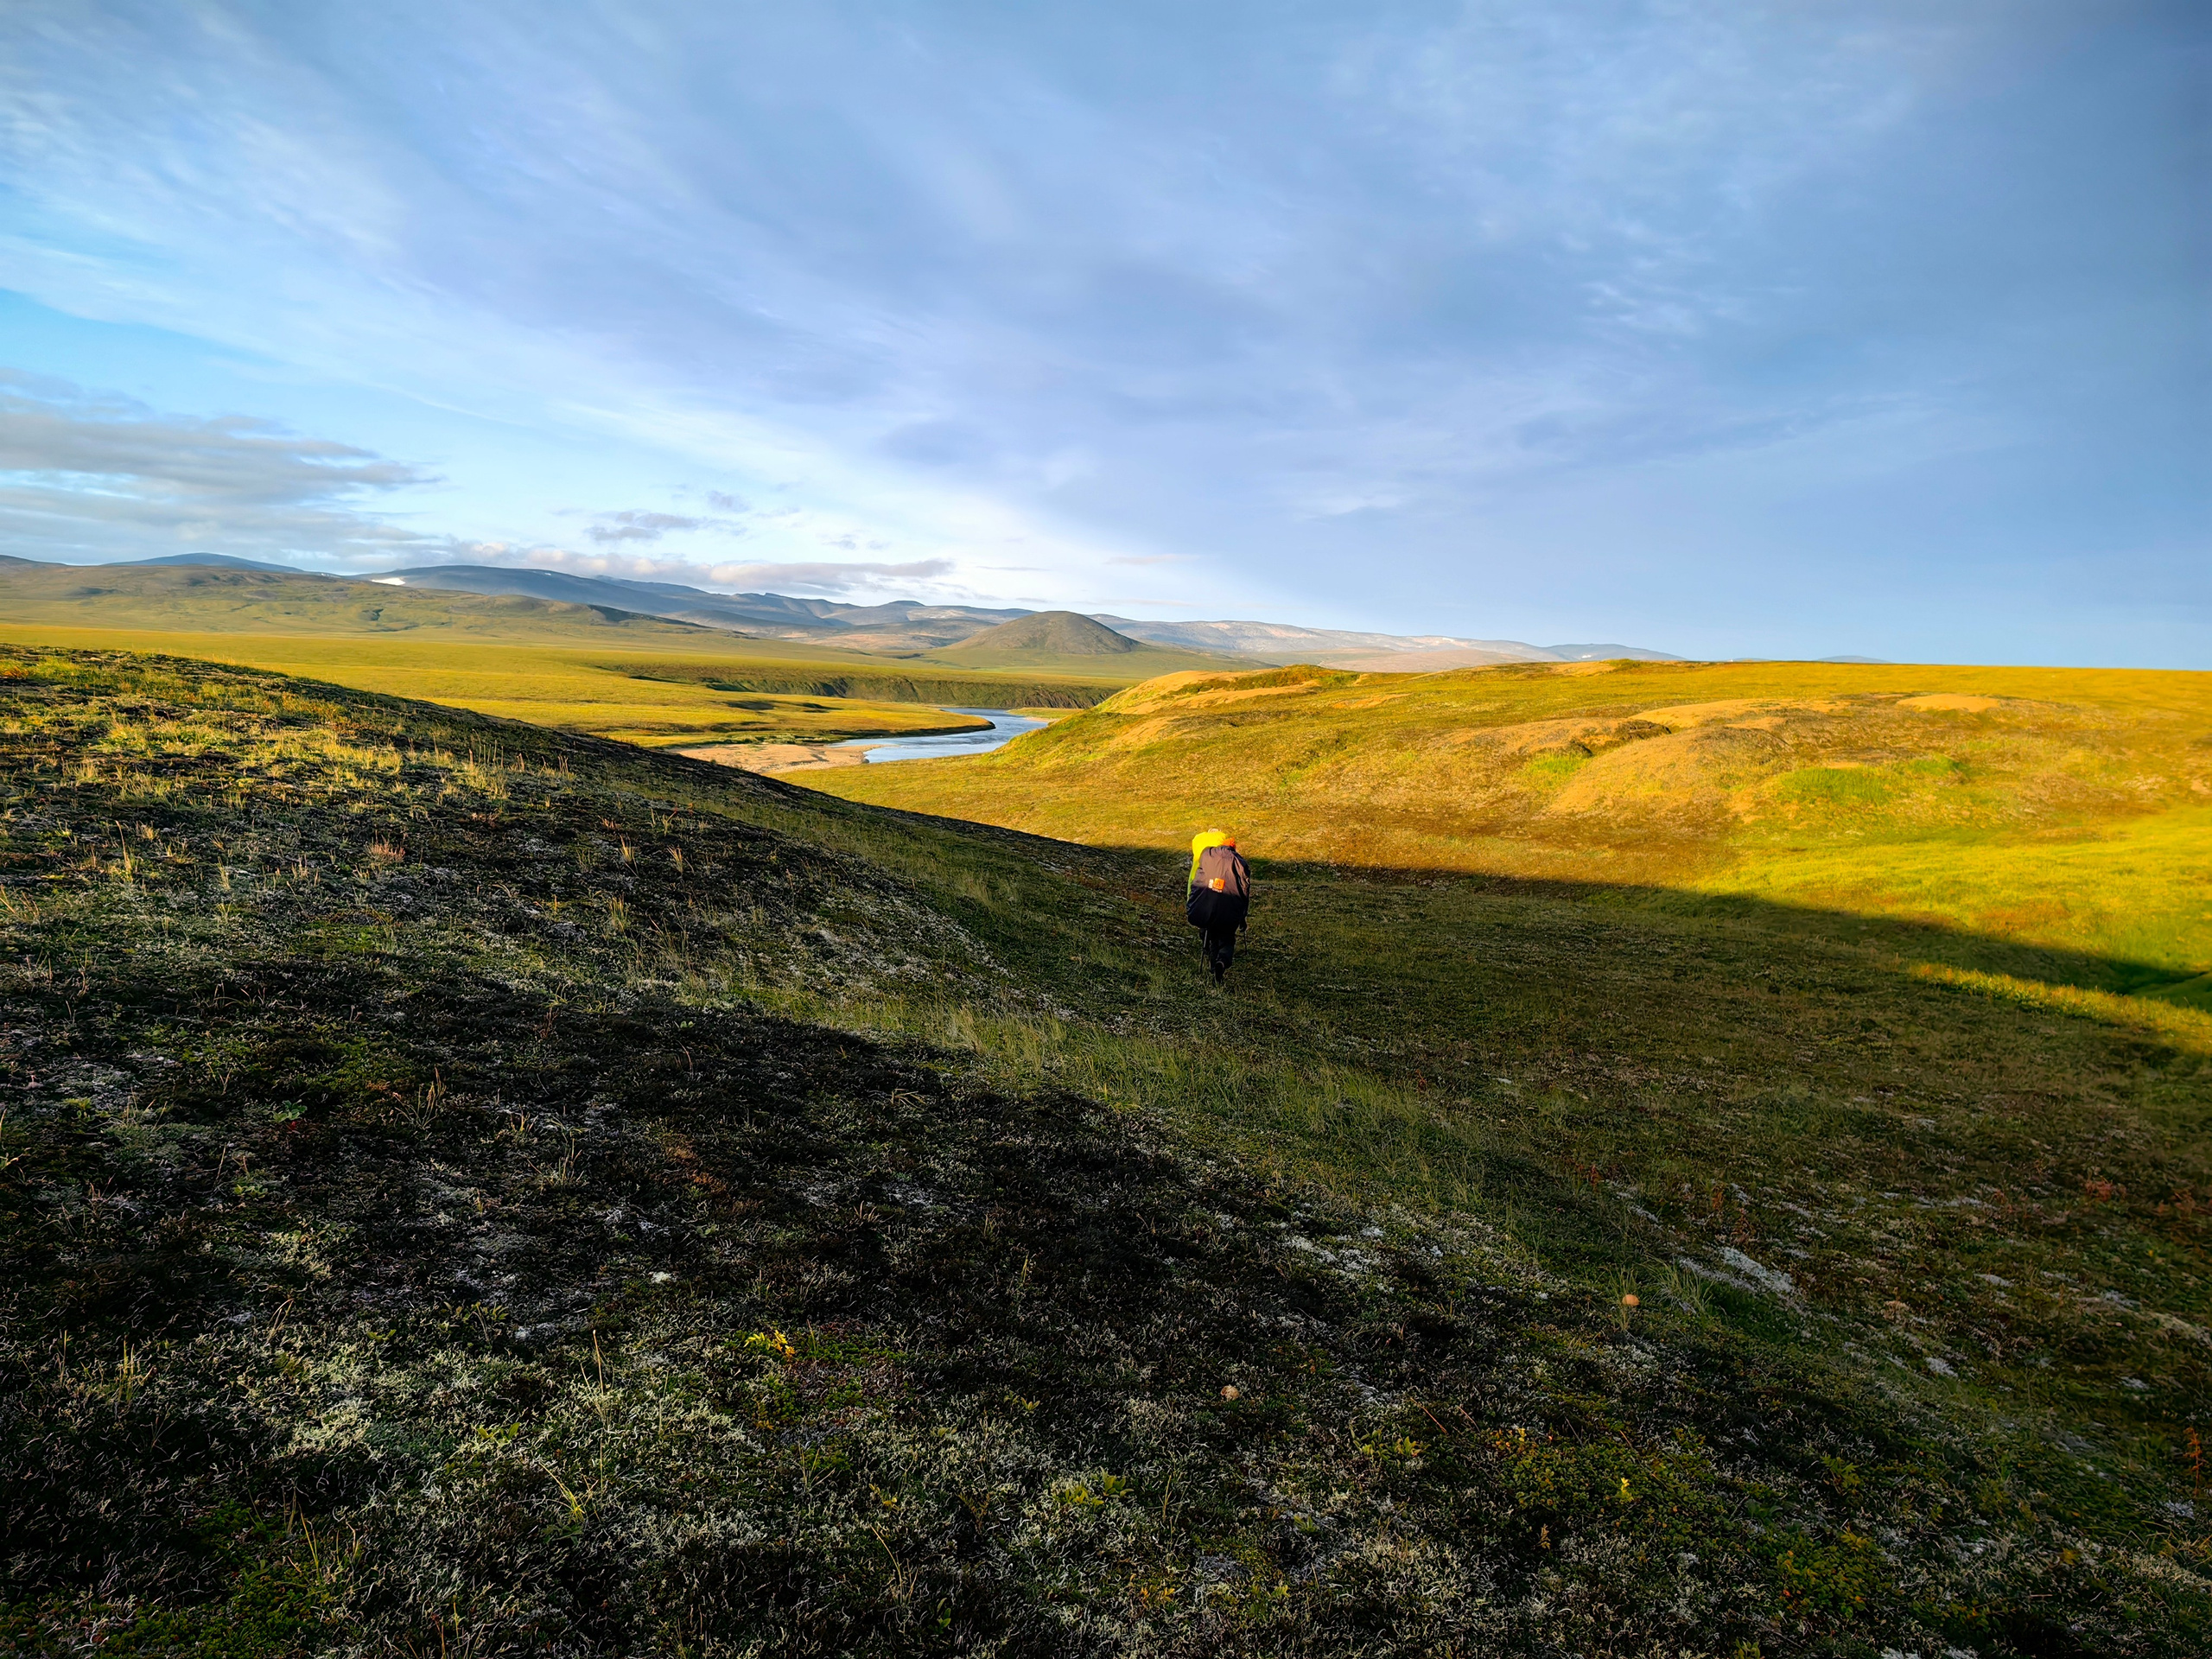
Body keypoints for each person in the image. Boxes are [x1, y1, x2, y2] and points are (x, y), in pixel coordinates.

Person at [1185, 828, 1251, 982]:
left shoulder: (1206, 857)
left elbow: (1198, 881)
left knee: (1211, 932)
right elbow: (1244, 890)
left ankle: (1213, 966)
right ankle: (1222, 961)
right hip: (1229, 908)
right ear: (1232, 847)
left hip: (1206, 904)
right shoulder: (1239, 862)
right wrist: (1242, 916)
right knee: (1227, 939)